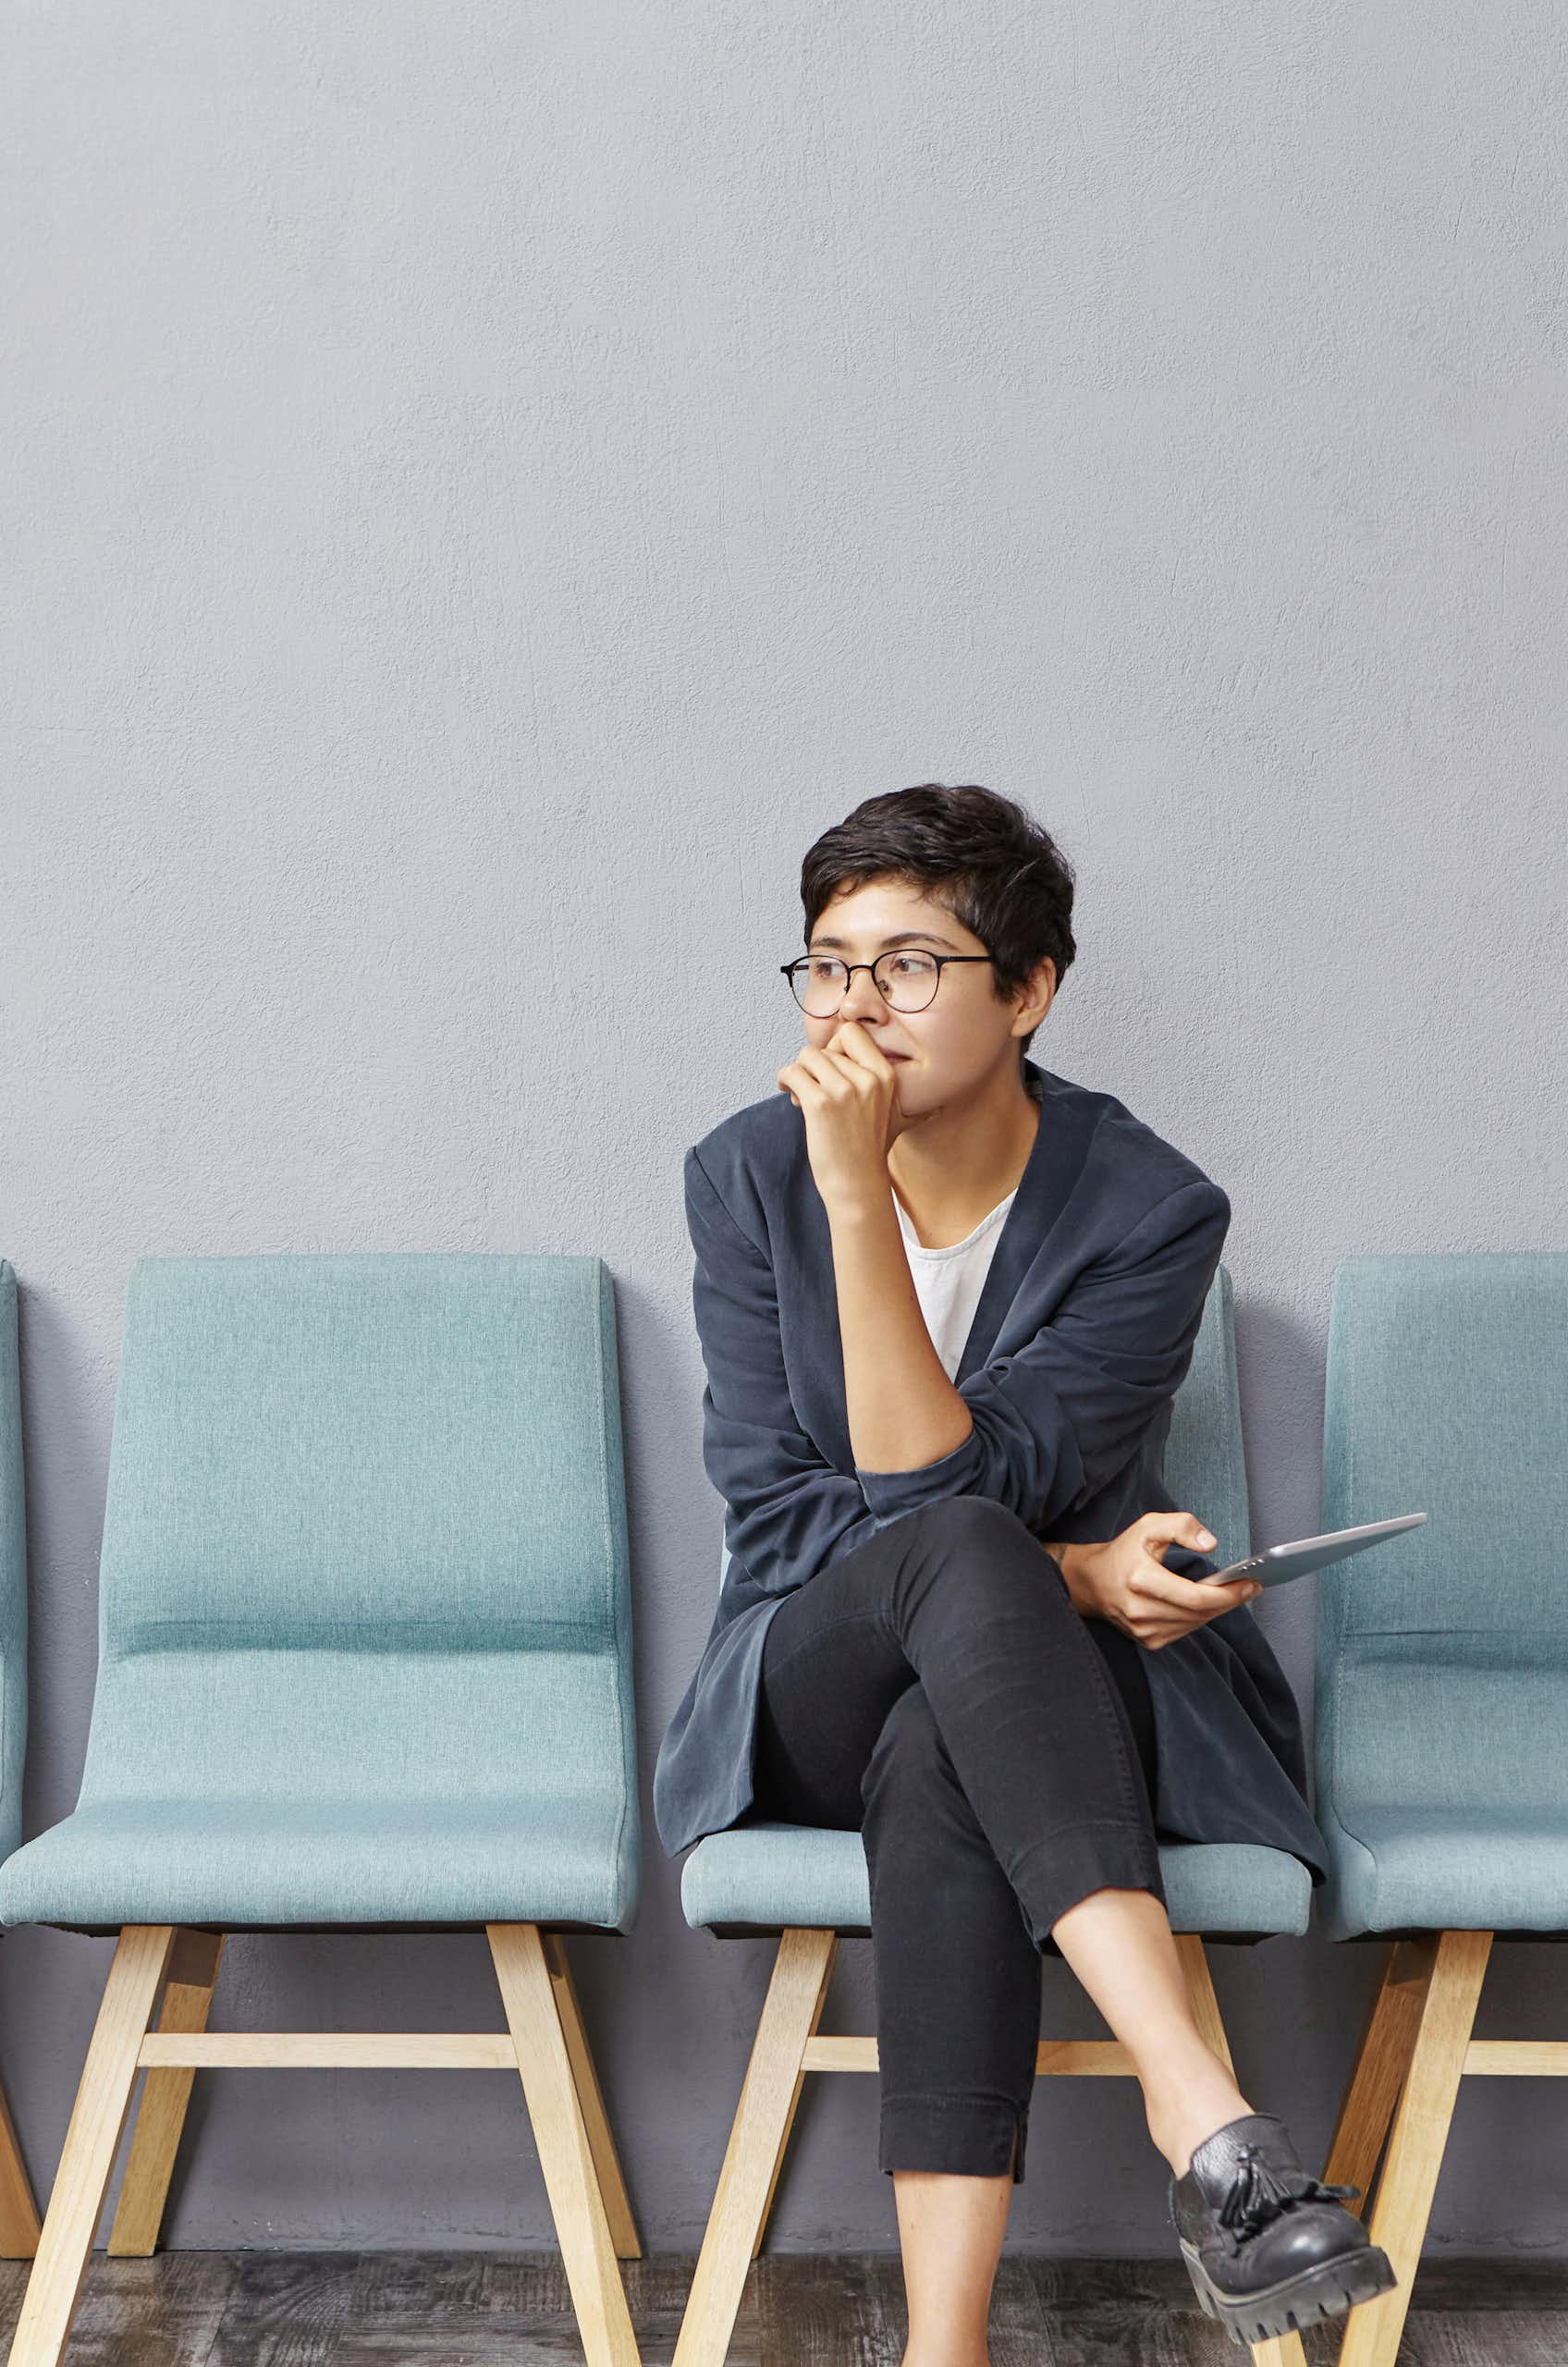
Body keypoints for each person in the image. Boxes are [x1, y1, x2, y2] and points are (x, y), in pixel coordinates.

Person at [654, 784, 1392, 2363]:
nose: (858, 1008)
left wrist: (1023, 1562)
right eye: (829, 966)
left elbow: (963, 1491)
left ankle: (945, 2350)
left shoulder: (1150, 1210)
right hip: (809, 1670)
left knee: (946, 1747)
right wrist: (851, 1192)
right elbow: (797, 1527)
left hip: (1026, 1710)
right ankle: (1205, 2112)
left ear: (1031, 989)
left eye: (910, 965)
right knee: (967, 1572)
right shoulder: (746, 1175)